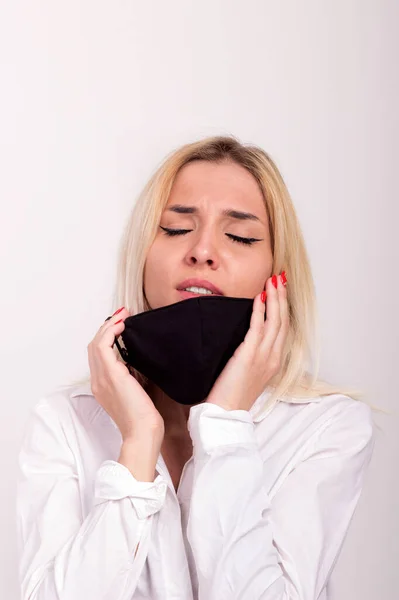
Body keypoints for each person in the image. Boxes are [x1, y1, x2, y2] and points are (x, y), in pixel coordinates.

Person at [16, 135, 377, 600]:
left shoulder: (328, 426)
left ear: (277, 273)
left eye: (240, 236)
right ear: (142, 254)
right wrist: (138, 442)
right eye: (174, 228)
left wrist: (226, 425)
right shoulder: (63, 422)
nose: (203, 251)